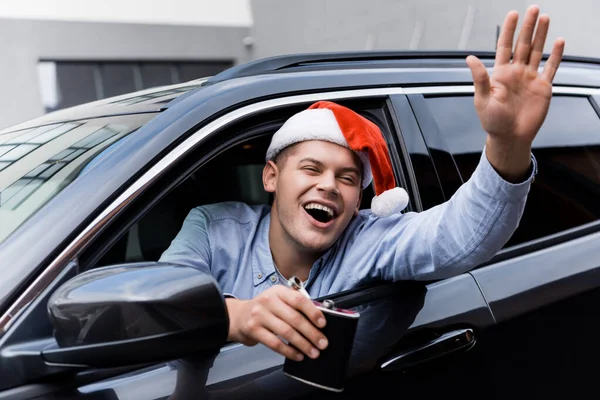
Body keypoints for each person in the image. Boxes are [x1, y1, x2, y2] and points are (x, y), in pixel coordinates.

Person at [160, 6, 564, 364]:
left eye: (347, 178)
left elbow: (458, 235)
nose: (329, 185)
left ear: (358, 202)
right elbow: (161, 302)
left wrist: (507, 145)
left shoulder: (370, 240)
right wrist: (239, 317)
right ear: (271, 176)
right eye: (311, 169)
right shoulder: (213, 229)